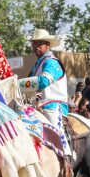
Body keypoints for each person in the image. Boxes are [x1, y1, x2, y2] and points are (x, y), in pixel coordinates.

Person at [18, 28, 71, 157]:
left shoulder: (52, 63)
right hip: (36, 105)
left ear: (48, 45)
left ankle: (66, 158)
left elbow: (43, 81)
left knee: (55, 132)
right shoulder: (38, 64)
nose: (36, 46)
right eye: (34, 43)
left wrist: (16, 84)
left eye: (39, 43)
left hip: (52, 106)